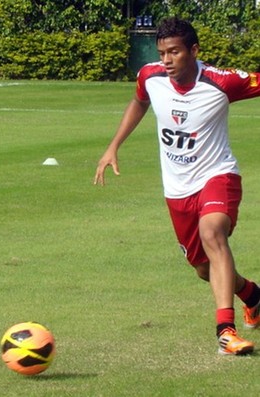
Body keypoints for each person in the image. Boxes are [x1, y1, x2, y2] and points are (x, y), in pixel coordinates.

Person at [94, 17, 260, 355]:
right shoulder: (150, 76)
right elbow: (140, 101)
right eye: (162, 53)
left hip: (218, 176)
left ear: (194, 51)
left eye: (175, 52)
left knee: (213, 233)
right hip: (177, 190)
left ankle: (225, 331)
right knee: (203, 268)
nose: (167, 61)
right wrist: (114, 145)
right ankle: (253, 296)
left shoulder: (221, 82)